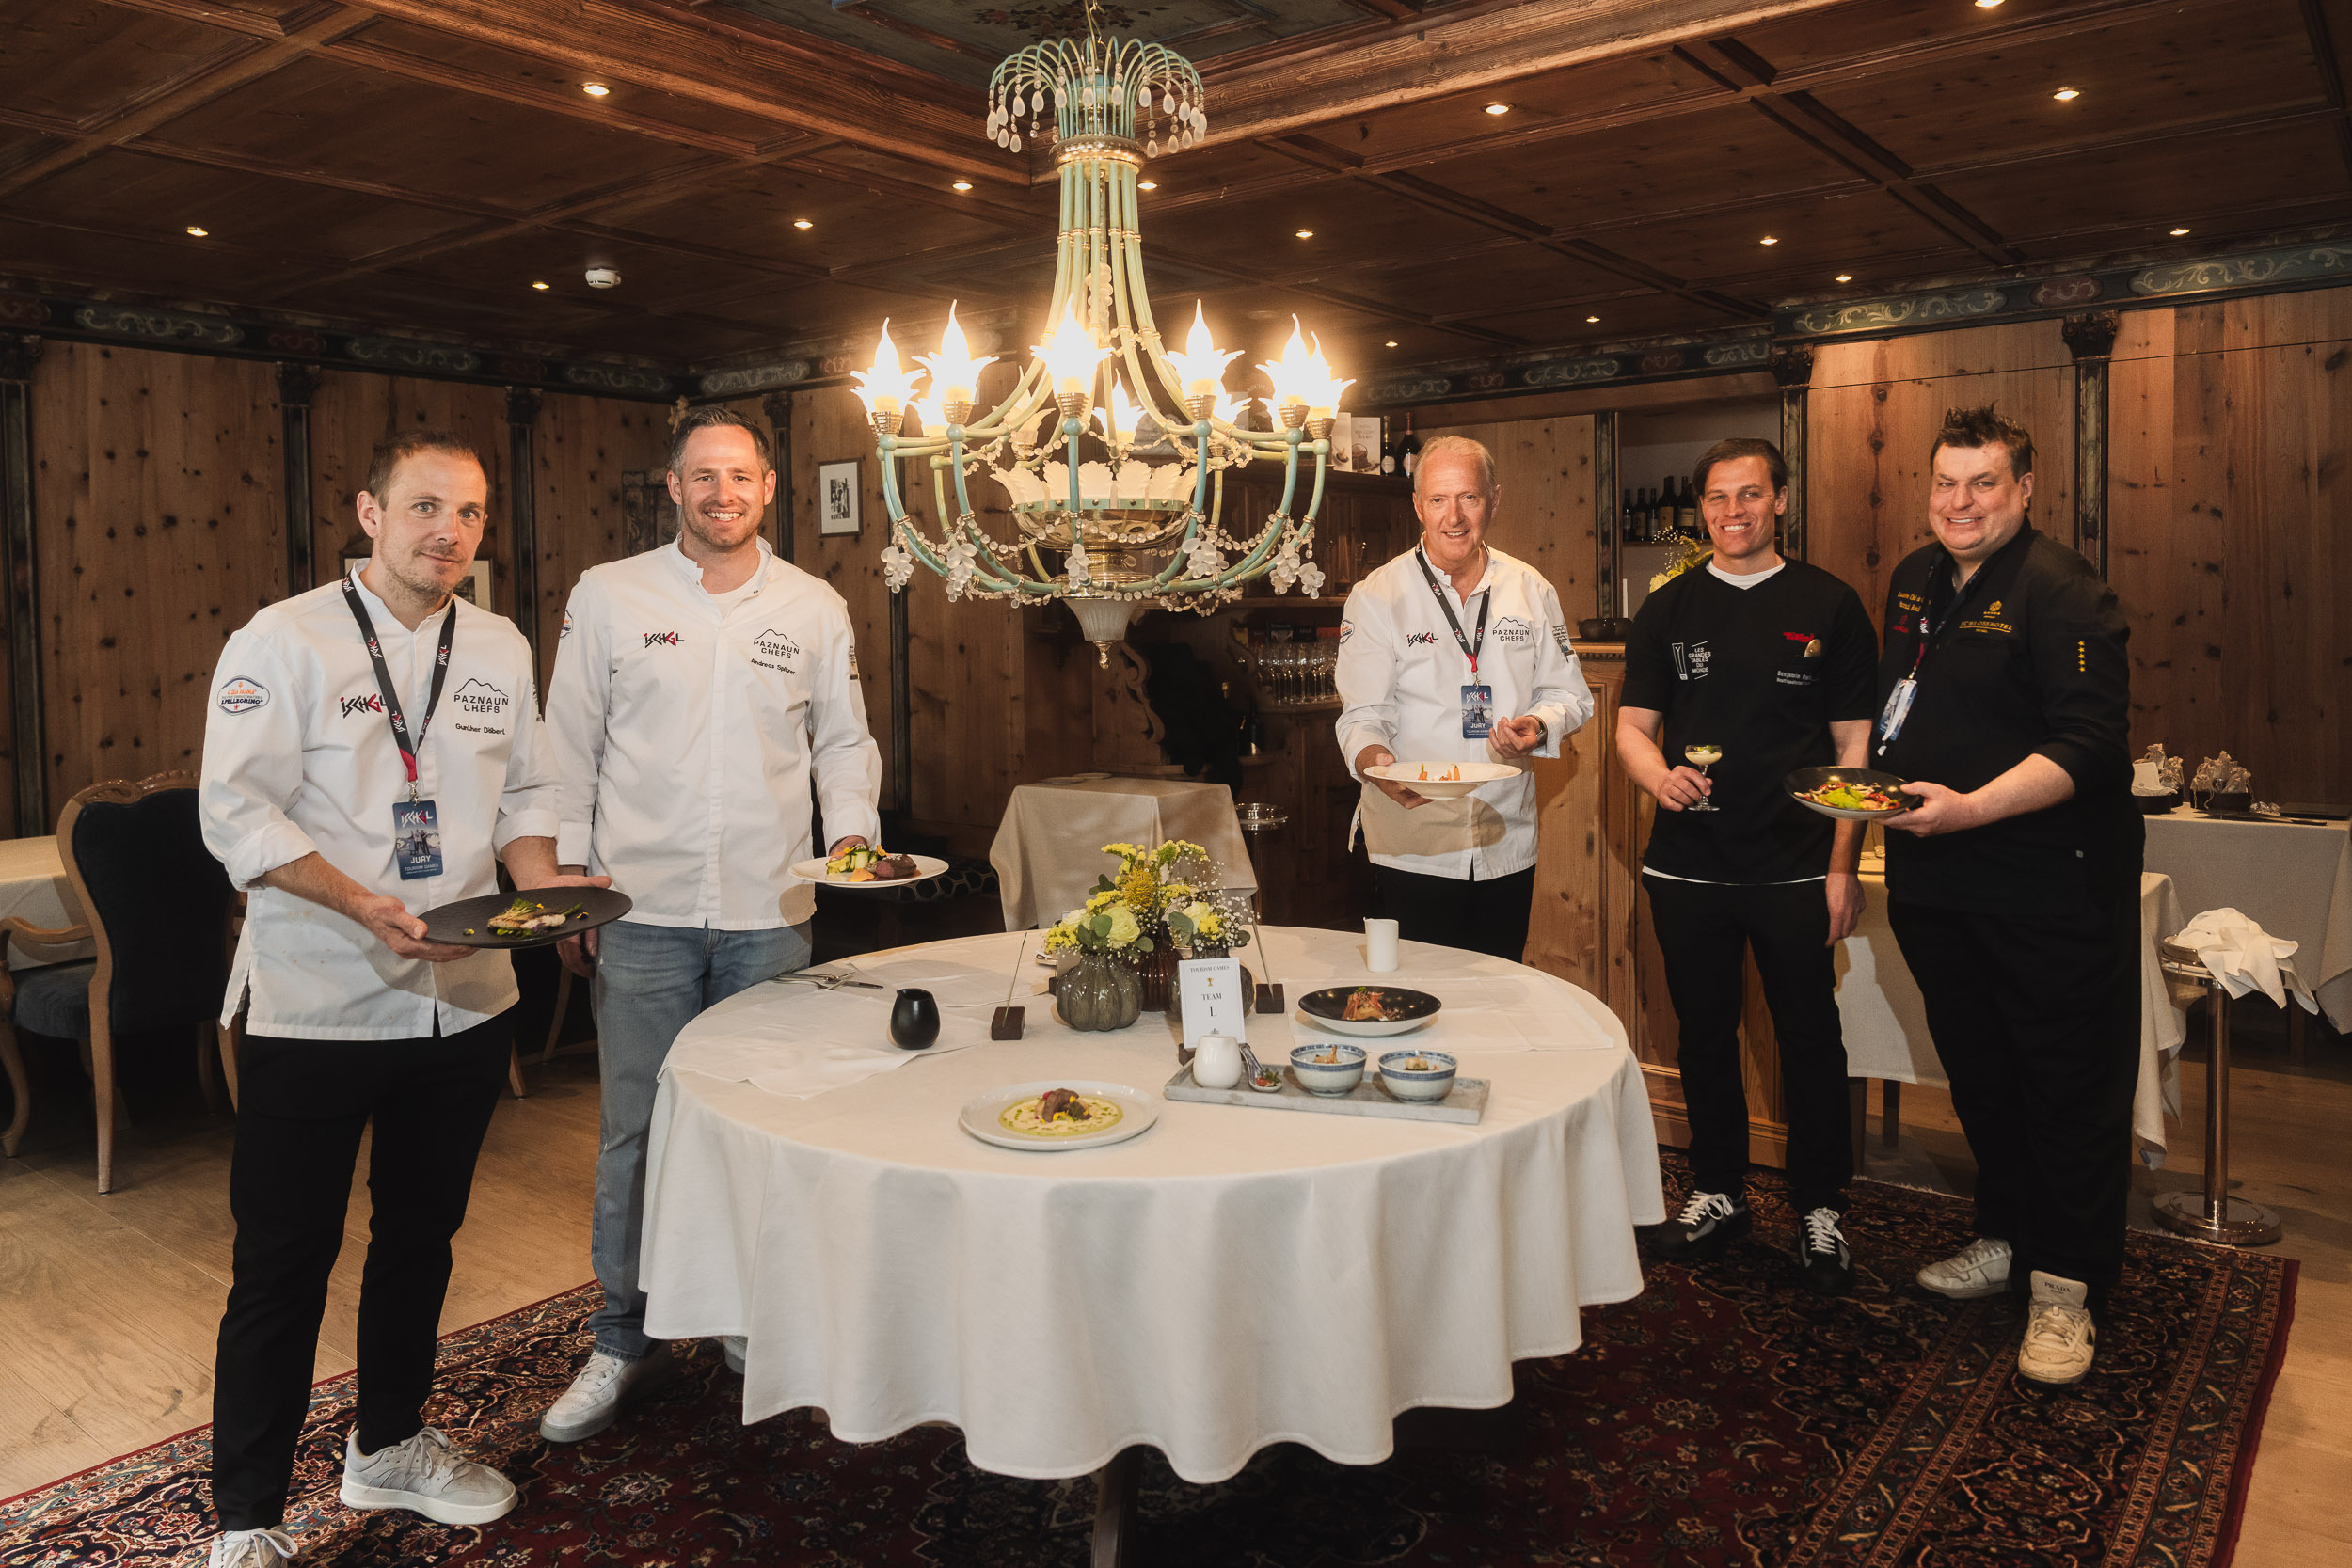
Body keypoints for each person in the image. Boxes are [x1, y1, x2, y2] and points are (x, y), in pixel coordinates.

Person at [199, 432, 604, 1568]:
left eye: (469, 513)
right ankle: (246, 1518)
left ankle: (387, 1443)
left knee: (420, 1236)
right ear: (369, 512)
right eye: (425, 506)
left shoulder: (499, 643)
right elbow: (234, 811)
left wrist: (544, 895)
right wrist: (357, 898)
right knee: (283, 1258)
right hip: (318, 998)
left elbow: (524, 794)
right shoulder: (282, 638)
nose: (450, 531)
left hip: (464, 997)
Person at [538, 406, 882, 1440]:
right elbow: (568, 743)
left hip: (771, 908)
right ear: (673, 487)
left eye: (739, 476)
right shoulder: (609, 594)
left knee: (763, 1120)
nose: (721, 493)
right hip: (639, 908)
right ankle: (622, 1336)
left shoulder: (813, 605)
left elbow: (842, 743)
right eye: (702, 476)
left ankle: (747, 1316)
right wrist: (569, 880)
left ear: (768, 487)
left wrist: (853, 836)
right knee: (637, 1130)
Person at [1875, 404, 2139, 1386]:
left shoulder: (2064, 590)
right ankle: (2007, 1235)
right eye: (1946, 483)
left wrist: (1972, 808)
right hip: (1935, 880)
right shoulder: (1914, 578)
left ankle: (2066, 1286)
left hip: (2047, 887)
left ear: (2024, 490)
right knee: (1981, 1076)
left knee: (2064, 1087)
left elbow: (2090, 745)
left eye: (1983, 483)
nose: (1961, 502)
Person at [1615, 438, 1878, 1293]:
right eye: (1718, 498)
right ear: (1701, 508)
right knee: (1703, 1033)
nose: (1733, 512)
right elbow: (1632, 728)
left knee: (1811, 1038)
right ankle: (1720, 1189)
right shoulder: (1667, 608)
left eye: (1751, 494)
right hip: (1688, 868)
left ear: (1781, 500)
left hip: (1798, 867)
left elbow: (1854, 748)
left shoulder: (1829, 604)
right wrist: (1658, 777)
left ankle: (1820, 1207)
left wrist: (1844, 866)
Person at [1334, 435, 1594, 961]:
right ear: (1417, 506)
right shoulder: (1377, 596)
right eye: (1438, 499)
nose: (1453, 517)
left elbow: (1569, 694)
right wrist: (1376, 763)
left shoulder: (1531, 589)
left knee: (1498, 990)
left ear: (1493, 501)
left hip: (1505, 840)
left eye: (1468, 498)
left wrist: (1539, 725)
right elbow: (1361, 716)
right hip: (1412, 844)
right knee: (1416, 992)